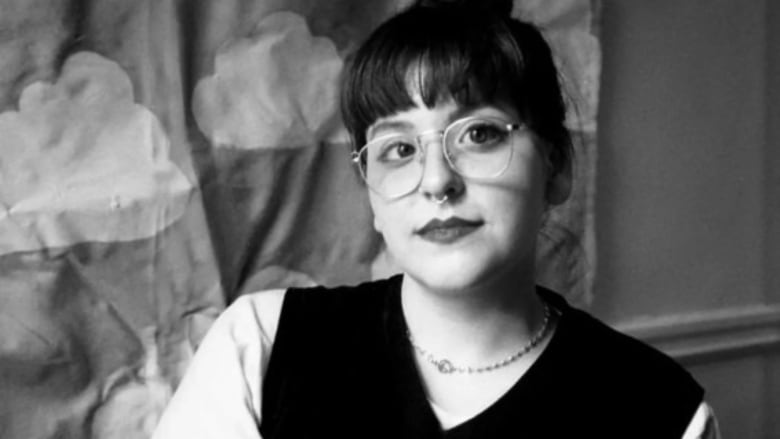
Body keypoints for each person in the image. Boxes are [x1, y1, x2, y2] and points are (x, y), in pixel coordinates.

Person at [152, 0, 720, 437]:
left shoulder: (663, 412)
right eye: (398, 149)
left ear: (558, 166)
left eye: (479, 134)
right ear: (372, 195)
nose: (436, 180)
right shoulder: (260, 348)